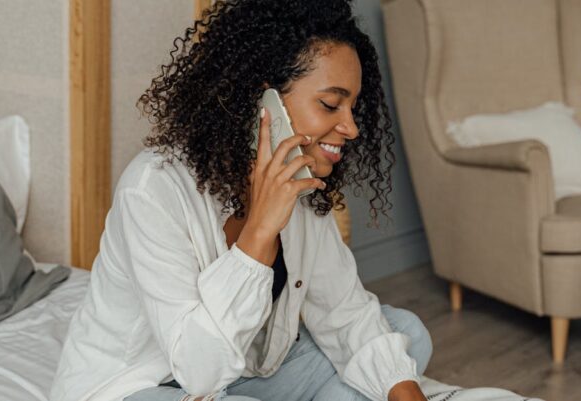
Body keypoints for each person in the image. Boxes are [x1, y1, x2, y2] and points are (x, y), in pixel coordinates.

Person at [49, 0, 432, 400]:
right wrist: (260, 232)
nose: (351, 127)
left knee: (405, 335)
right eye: (330, 104)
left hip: (236, 376)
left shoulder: (300, 185)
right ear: (263, 101)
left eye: (352, 107)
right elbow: (198, 372)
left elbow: (346, 313)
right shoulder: (152, 189)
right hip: (146, 385)